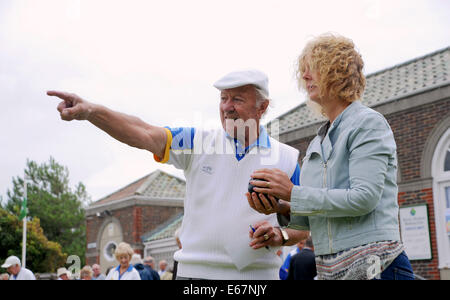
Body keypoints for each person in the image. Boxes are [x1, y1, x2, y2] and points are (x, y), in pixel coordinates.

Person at [47, 69, 304, 280]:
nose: (227, 107)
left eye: (237, 99)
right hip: (193, 276)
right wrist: (91, 112)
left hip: (257, 279)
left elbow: (305, 225)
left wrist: (280, 236)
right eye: (223, 98)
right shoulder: (197, 141)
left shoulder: (287, 158)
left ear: (262, 107)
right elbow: (145, 132)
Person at [247, 33, 414, 280]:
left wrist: (292, 192)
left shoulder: (368, 124)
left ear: (337, 71)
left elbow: (364, 198)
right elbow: (313, 219)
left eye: (312, 69)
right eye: (303, 71)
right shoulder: (318, 142)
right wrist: (279, 212)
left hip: (379, 268)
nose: (304, 77)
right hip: (331, 272)